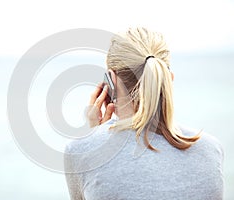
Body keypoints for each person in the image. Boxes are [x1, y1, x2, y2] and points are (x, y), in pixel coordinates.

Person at [64, 27, 224, 200]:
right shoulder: (211, 149)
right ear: (168, 79)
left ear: (111, 80)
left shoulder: (81, 151)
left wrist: (95, 138)